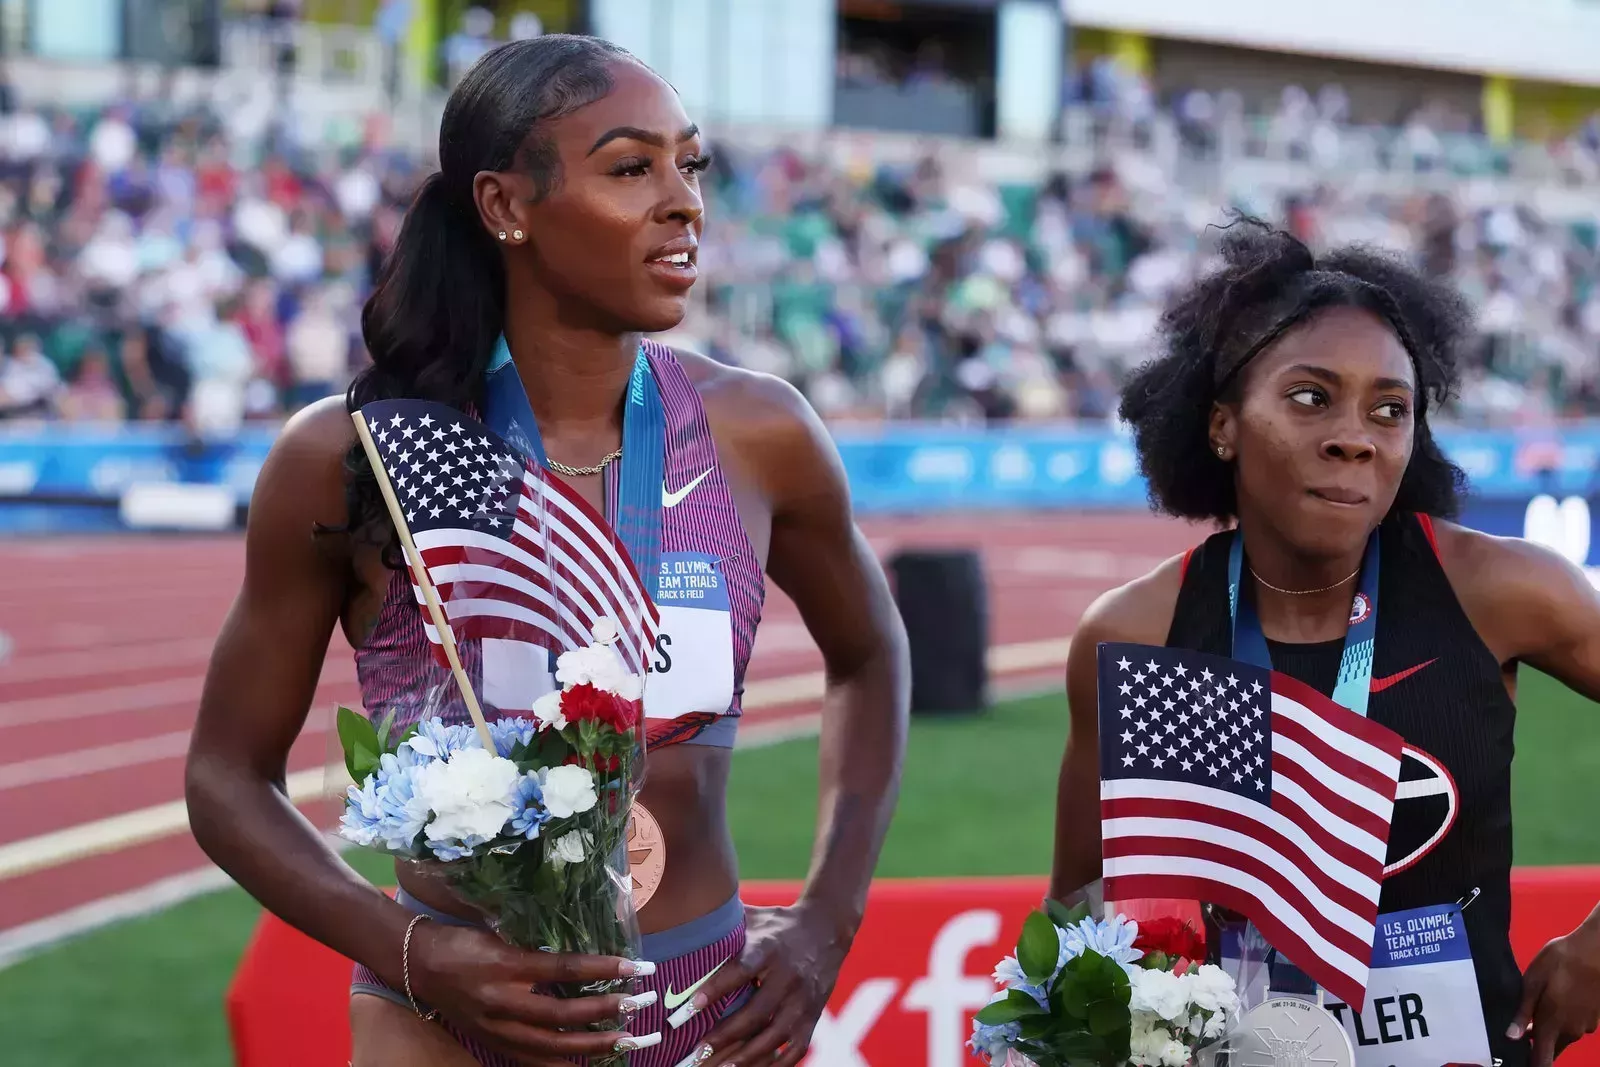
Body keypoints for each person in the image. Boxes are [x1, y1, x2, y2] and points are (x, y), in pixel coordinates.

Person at [186, 35, 910, 1067]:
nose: (683, 202)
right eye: (630, 167)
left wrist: (828, 917)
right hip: (442, 1022)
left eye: (688, 164)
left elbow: (872, 653)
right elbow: (224, 773)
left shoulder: (761, 433)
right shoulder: (360, 456)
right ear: (505, 206)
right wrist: (414, 950)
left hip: (720, 1016)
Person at [1047, 219, 1600, 1067]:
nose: (1356, 435)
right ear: (1222, 424)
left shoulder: (1503, 591)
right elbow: (1080, 904)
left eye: (1390, 409)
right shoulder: (1134, 635)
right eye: (1311, 397)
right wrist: (1097, 1028)